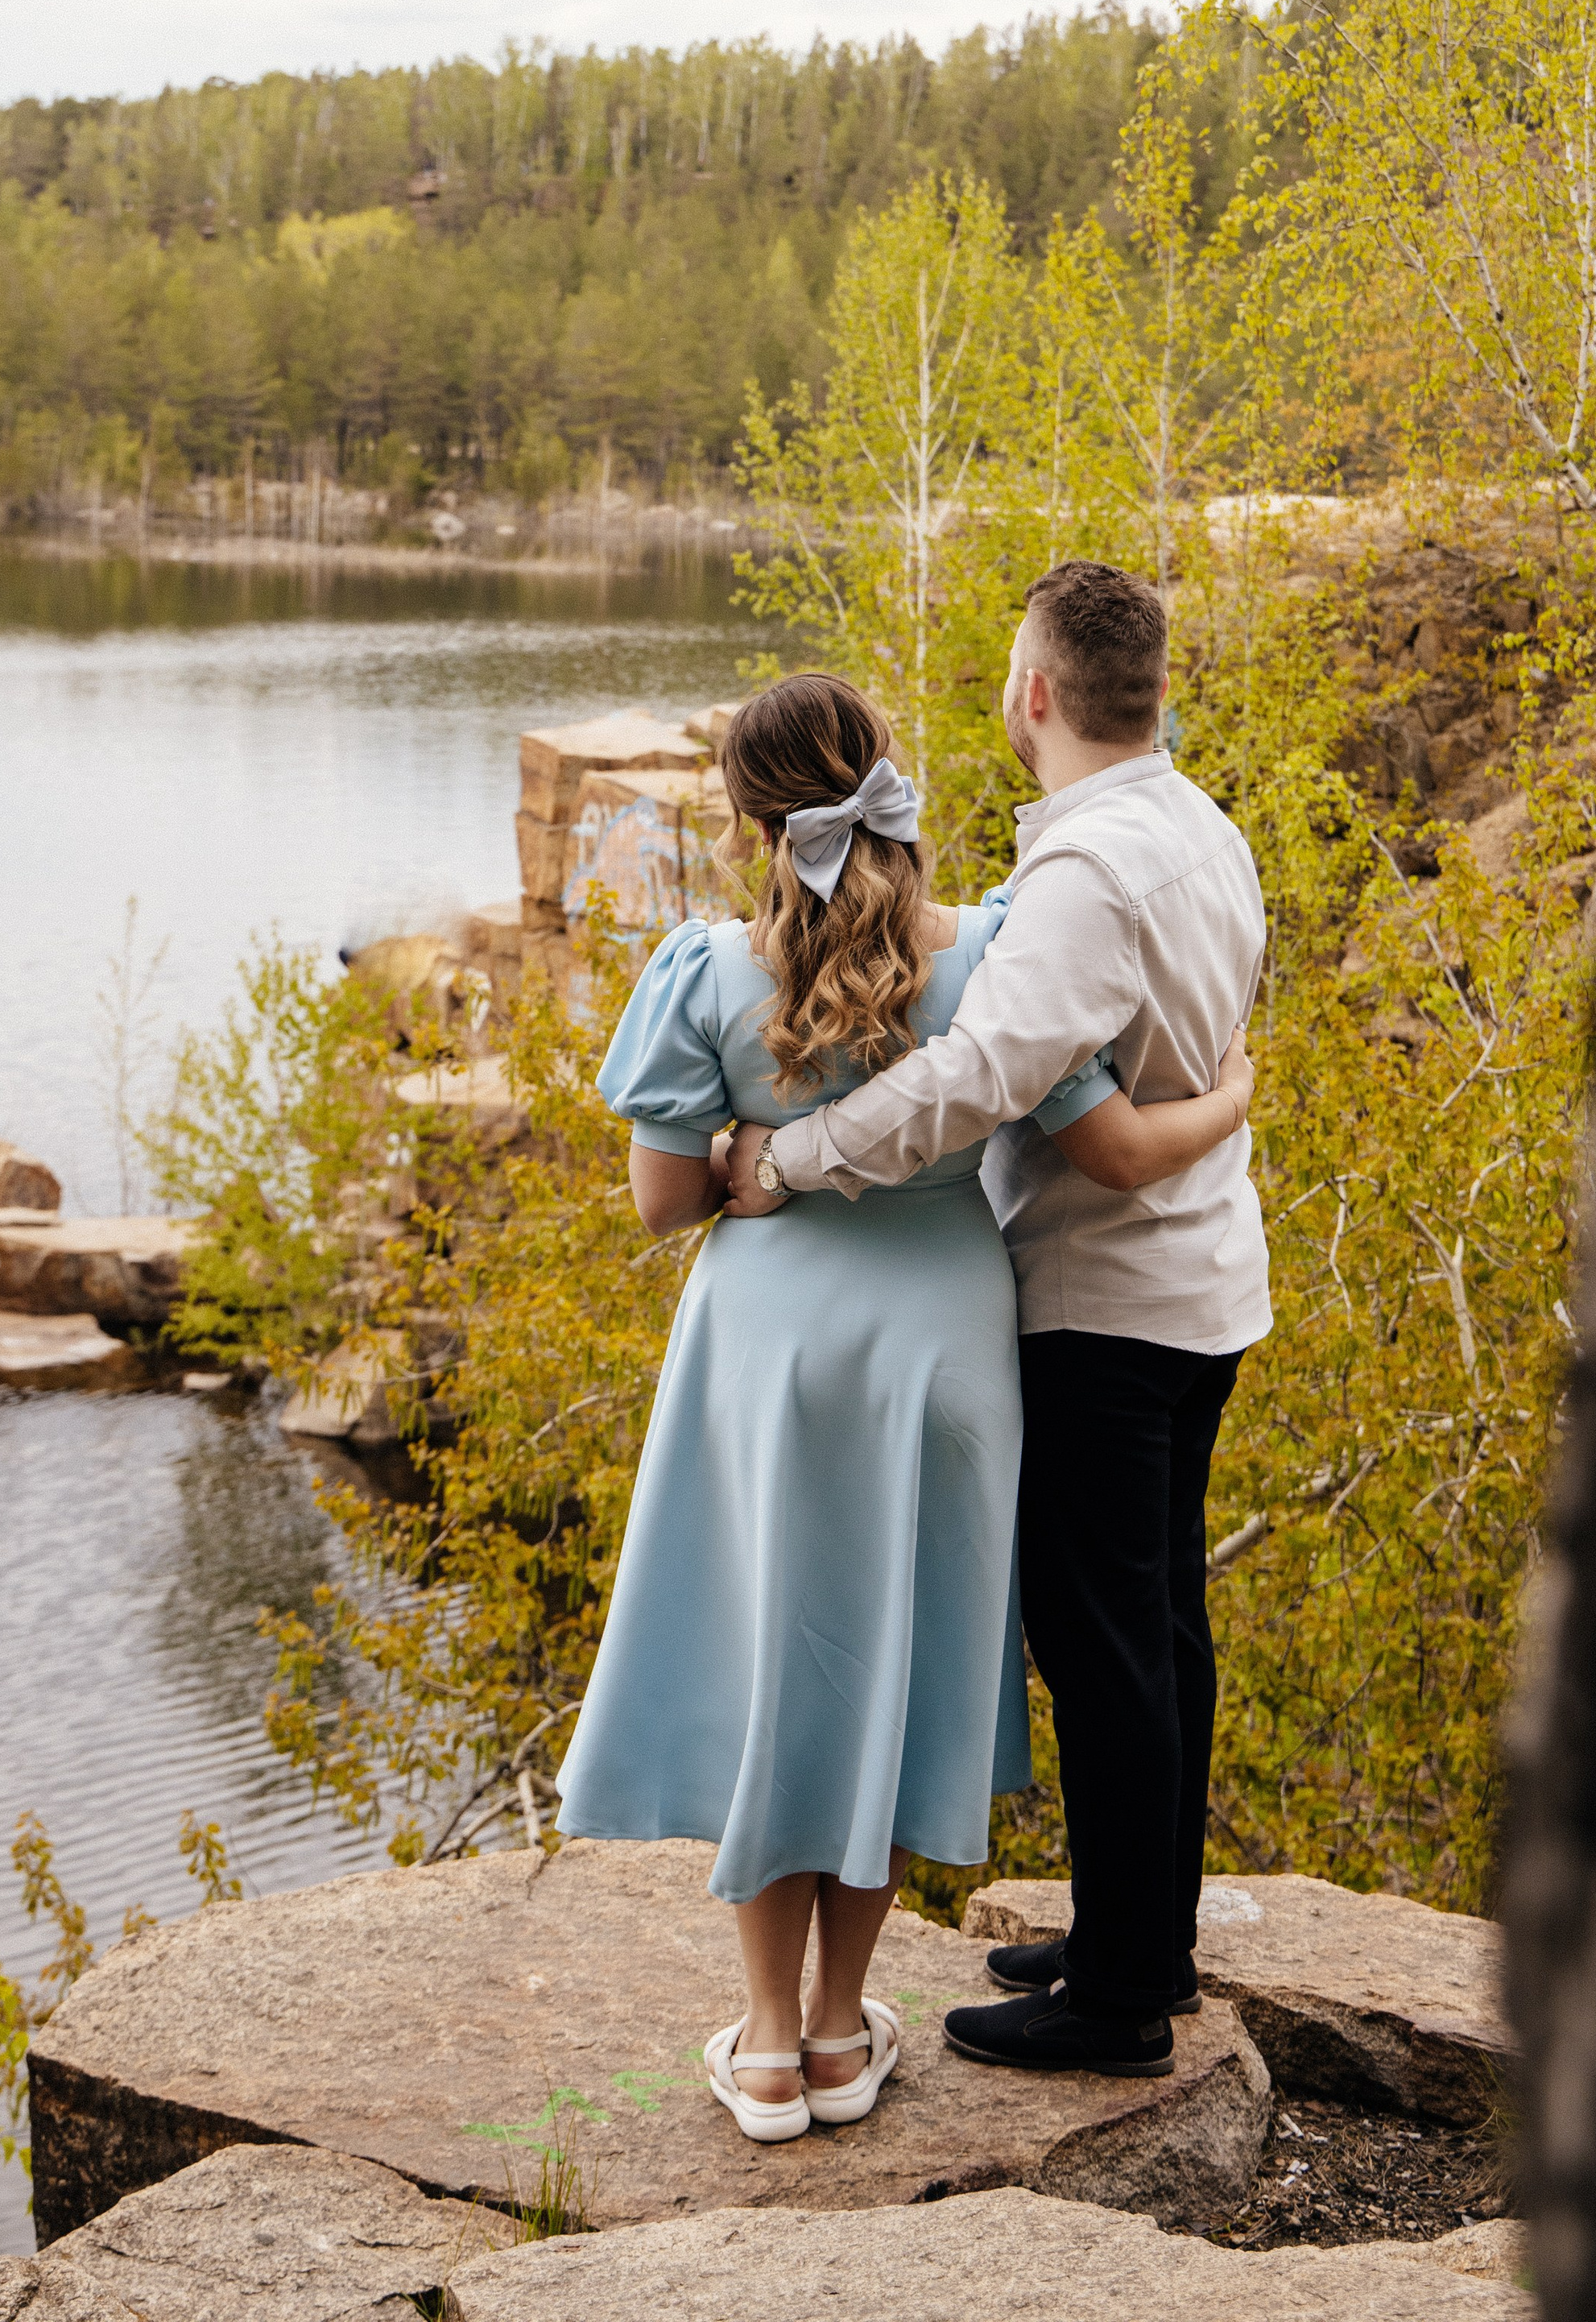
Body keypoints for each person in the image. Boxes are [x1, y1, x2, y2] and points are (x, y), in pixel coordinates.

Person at [556, 668, 1254, 2142]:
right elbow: (1109, 1135)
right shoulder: (993, 953)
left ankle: (761, 2045)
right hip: (945, 1346)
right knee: (882, 1668)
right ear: (889, 783)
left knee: (774, 1668)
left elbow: (663, 1201)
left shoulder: (703, 971)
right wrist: (1237, 1097)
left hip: (769, 1348)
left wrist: (767, 1137)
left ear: (751, 816)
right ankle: (834, 2029)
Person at [726, 564, 1270, 2081]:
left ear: (1033, 692)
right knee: (1160, 1624)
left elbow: (979, 1073)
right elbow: (1176, 1053)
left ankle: (1115, 2009)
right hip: (1205, 1287)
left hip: (1109, 1305)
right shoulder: (1201, 831)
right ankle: (1135, 1938)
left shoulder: (1090, 875)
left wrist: (798, 1158)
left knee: (1105, 1648)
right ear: (1149, 693)